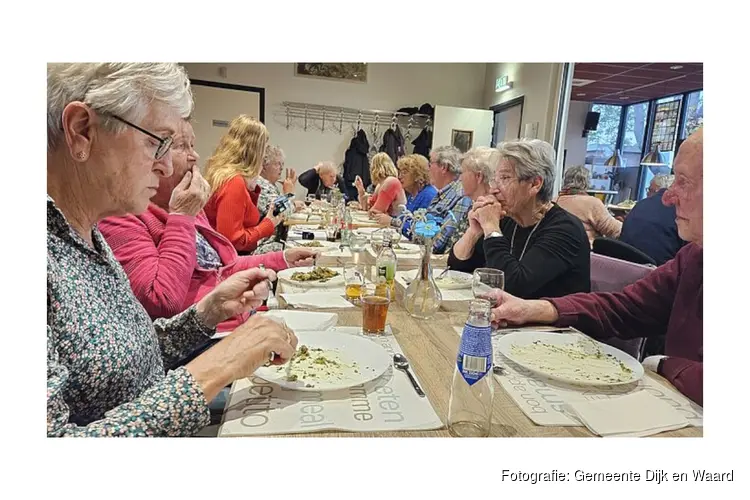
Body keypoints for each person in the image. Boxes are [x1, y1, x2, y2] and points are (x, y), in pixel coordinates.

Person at [47, 63, 297, 437]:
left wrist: (205, 316)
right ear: (81, 131)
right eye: (157, 141)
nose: (166, 166)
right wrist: (219, 365)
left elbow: (133, 361)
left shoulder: (88, 235)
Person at [488, 128, 704, 406]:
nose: (667, 197)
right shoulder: (695, 257)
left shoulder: (563, 227)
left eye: (683, 182)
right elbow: (624, 308)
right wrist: (533, 308)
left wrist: (664, 365)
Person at [99, 121, 318, 333]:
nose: (195, 156)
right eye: (181, 146)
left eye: (192, 145)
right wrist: (182, 216)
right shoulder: (122, 216)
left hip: (238, 319)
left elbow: (225, 266)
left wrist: (283, 258)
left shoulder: (189, 204)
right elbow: (161, 302)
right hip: (207, 339)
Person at [448, 139, 590, 298]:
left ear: (534, 184)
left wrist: (491, 228)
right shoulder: (508, 219)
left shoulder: (565, 229)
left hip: (552, 323)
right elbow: (456, 268)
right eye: (495, 179)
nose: (493, 189)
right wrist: (473, 231)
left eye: (505, 178)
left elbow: (513, 286)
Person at [203, 115, 282, 254]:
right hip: (231, 261)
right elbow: (232, 241)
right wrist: (267, 226)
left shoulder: (223, 174)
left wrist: (251, 189)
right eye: (263, 147)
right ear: (255, 150)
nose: (264, 154)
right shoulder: (234, 182)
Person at [433, 147, 500, 253]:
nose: (460, 178)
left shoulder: (490, 210)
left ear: (478, 176)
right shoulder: (473, 204)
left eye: (463, 173)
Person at [619, 174, 686, 266]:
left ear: (656, 190)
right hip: (660, 272)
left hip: (625, 266)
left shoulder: (640, 204)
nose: (647, 194)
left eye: (649, 190)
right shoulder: (680, 211)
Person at [555, 165, 622, 246]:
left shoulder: (553, 201)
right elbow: (615, 230)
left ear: (565, 181)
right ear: (586, 183)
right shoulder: (592, 203)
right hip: (585, 252)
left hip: (557, 251)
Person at [373, 154, 437, 236]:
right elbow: (404, 220)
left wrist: (392, 221)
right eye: (400, 172)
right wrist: (388, 217)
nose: (400, 176)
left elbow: (420, 229)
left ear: (417, 174)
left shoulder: (428, 195)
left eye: (404, 172)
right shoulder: (412, 195)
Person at [254, 144, 299, 254]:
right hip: (265, 245)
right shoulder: (260, 185)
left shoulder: (269, 185)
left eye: (282, 164)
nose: (281, 168)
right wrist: (289, 194)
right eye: (277, 164)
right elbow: (280, 213)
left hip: (273, 241)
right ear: (264, 165)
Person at [354, 152, 407, 216]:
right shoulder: (380, 184)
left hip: (393, 224)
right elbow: (367, 207)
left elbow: (376, 211)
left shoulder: (391, 182)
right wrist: (361, 190)